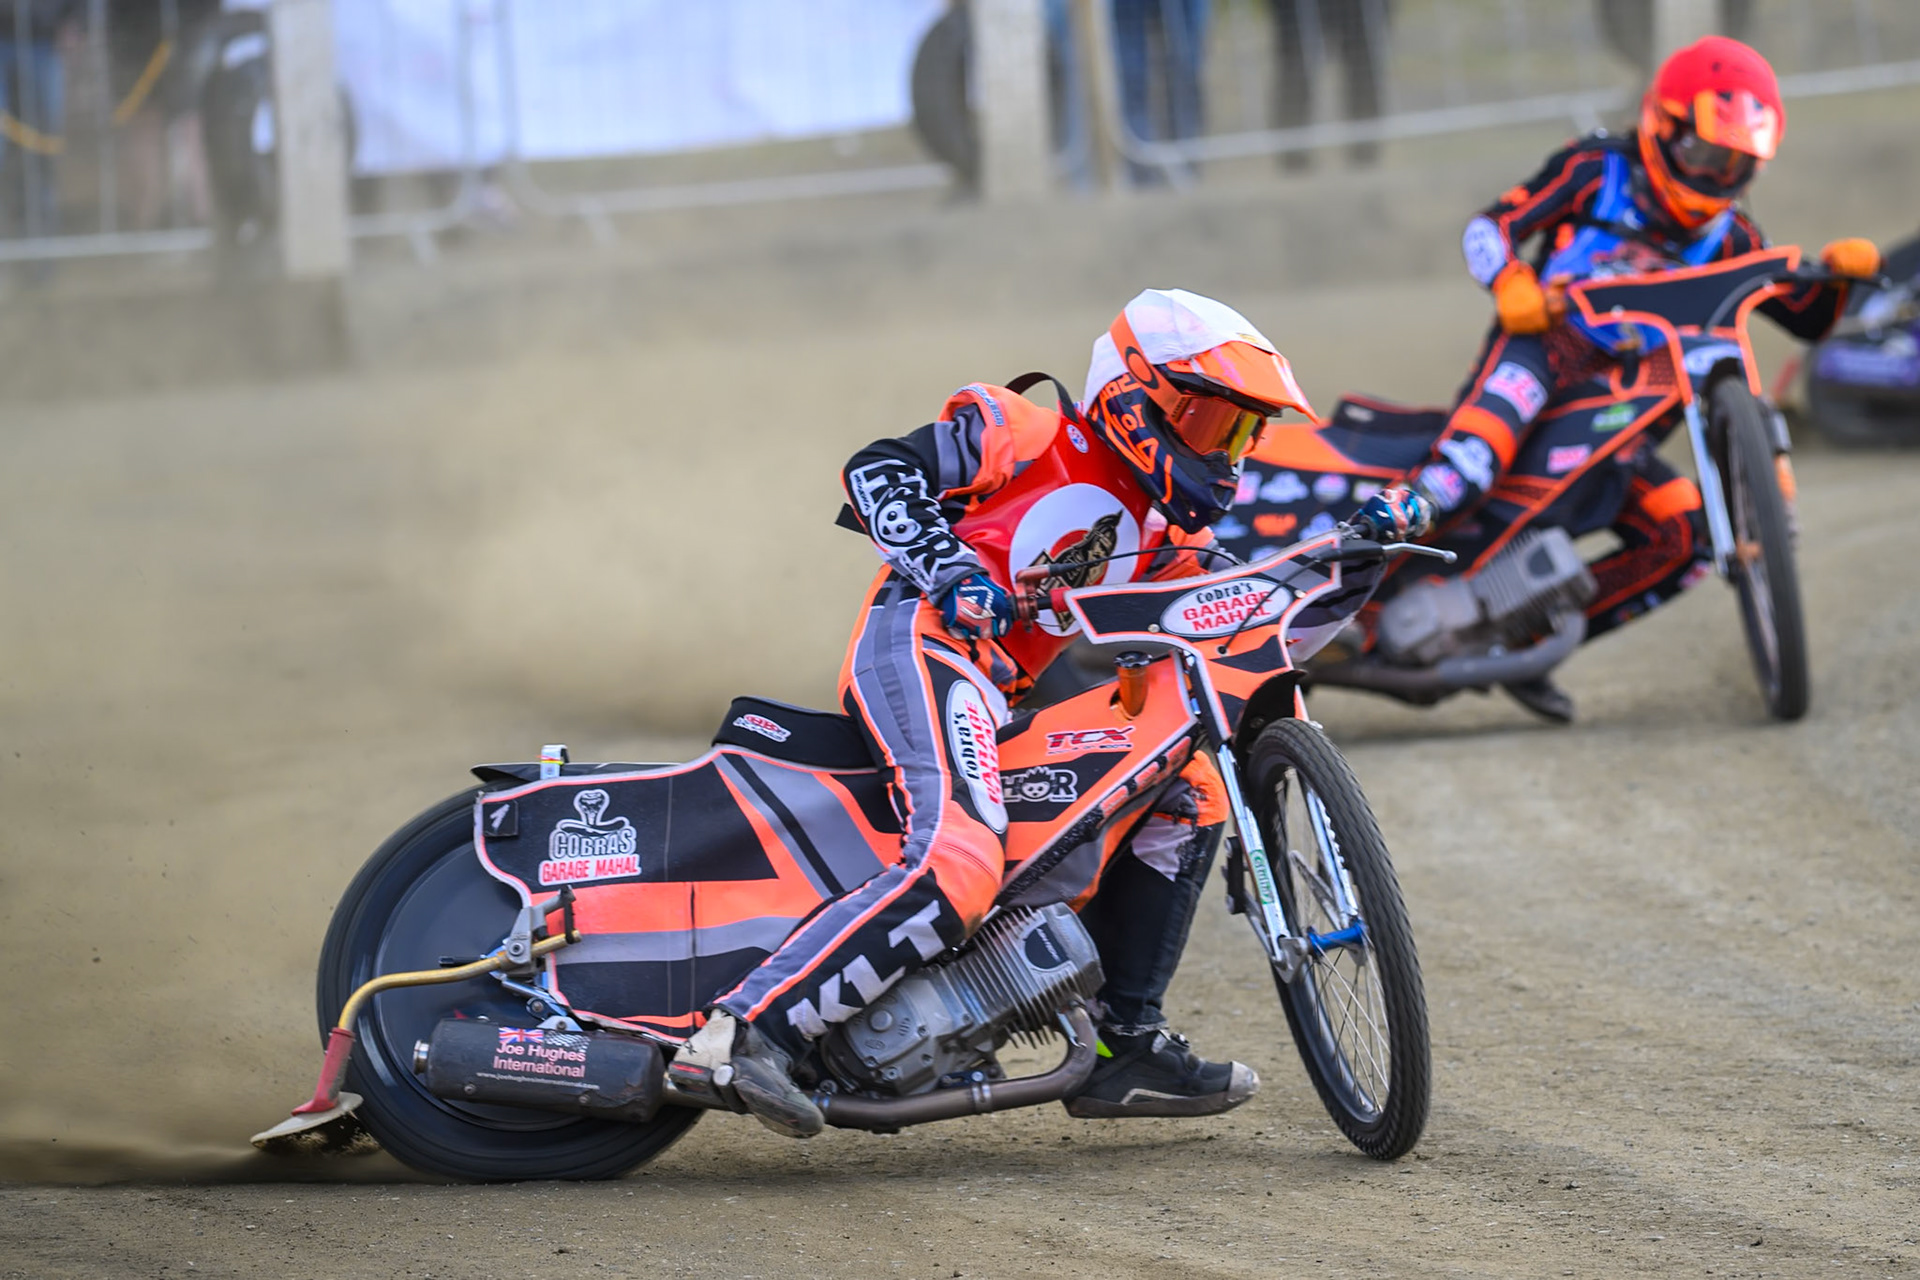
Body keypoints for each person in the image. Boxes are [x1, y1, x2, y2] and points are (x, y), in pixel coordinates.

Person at [676, 289, 1429, 1137]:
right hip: (921, 643)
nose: (1227, 452)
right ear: (1136, 394)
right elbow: (876, 470)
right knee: (956, 861)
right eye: (1212, 422)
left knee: (1189, 794)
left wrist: (1358, 564)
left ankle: (1123, 1046)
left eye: (1242, 433)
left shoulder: (1168, 538)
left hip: (999, 689)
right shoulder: (1025, 432)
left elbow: (1255, 638)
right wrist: (951, 568)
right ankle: (741, 1033)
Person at [1398, 34, 1879, 721]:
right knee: (1467, 468)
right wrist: (1509, 280)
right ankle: (1351, 568)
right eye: (1707, 154)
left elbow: (1804, 320)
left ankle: (1524, 642)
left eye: (1737, 163)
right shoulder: (1595, 168)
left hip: (1625, 400)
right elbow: (1490, 225)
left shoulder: (1731, 232)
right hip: (1544, 350)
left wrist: (1840, 281)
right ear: (1664, 125)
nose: (1716, 176)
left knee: (1685, 537)